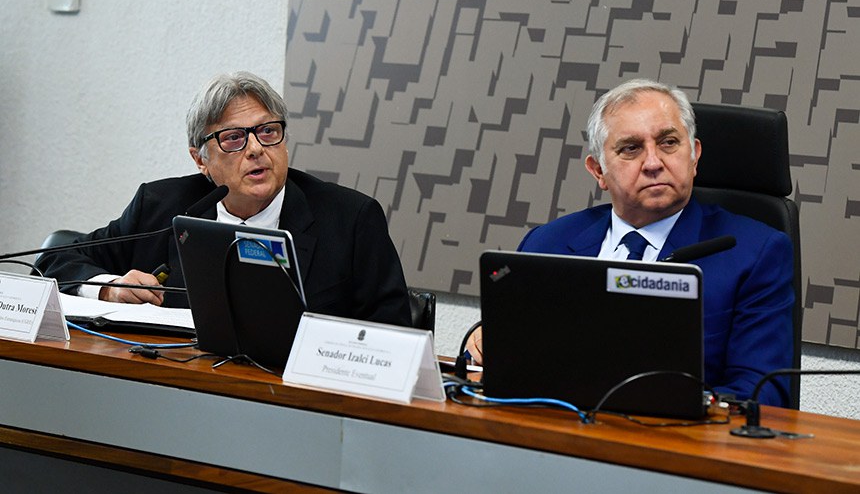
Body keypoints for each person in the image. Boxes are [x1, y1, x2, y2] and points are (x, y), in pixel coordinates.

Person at [467, 79, 793, 407]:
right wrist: (483, 342)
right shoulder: (547, 242)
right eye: (631, 149)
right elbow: (509, 358)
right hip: (557, 427)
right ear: (599, 171)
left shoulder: (755, 253)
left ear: (694, 155)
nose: (653, 163)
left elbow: (763, 393)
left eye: (668, 143)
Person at [36, 71, 411, 327]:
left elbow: (394, 332)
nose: (256, 149)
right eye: (234, 138)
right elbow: (54, 260)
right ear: (200, 160)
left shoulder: (350, 219)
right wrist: (109, 287)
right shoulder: (161, 205)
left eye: (268, 132)